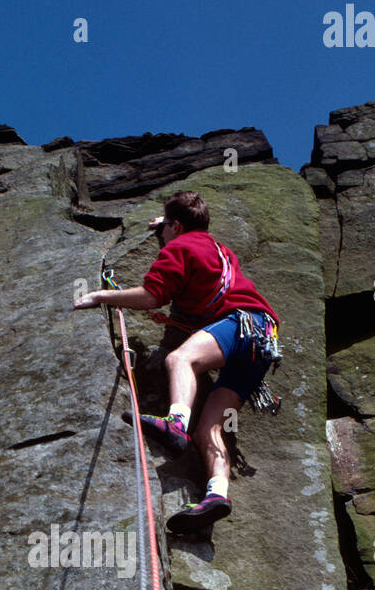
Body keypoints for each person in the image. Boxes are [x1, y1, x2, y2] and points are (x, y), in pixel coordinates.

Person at [73, 190, 280, 534]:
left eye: (167, 225)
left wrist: (101, 296)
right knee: (210, 429)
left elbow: (153, 295)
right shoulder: (219, 249)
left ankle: (175, 422)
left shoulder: (179, 247)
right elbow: (194, 253)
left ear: (176, 225)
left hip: (240, 324)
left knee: (181, 358)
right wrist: (164, 226)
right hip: (262, 339)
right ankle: (217, 494)